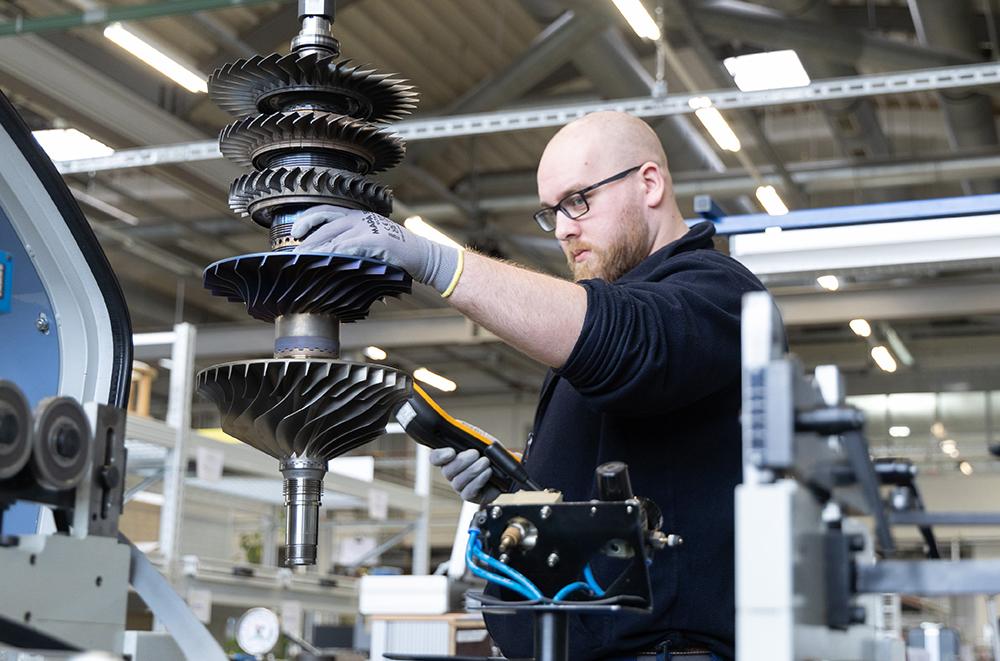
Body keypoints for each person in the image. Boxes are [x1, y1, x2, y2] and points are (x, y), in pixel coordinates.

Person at [291, 111, 765, 660]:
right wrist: (513, 490)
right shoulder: (602, 322)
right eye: (551, 212)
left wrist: (433, 258)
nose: (564, 227)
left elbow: (628, 343)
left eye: (578, 200)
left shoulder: (721, 293)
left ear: (650, 183)